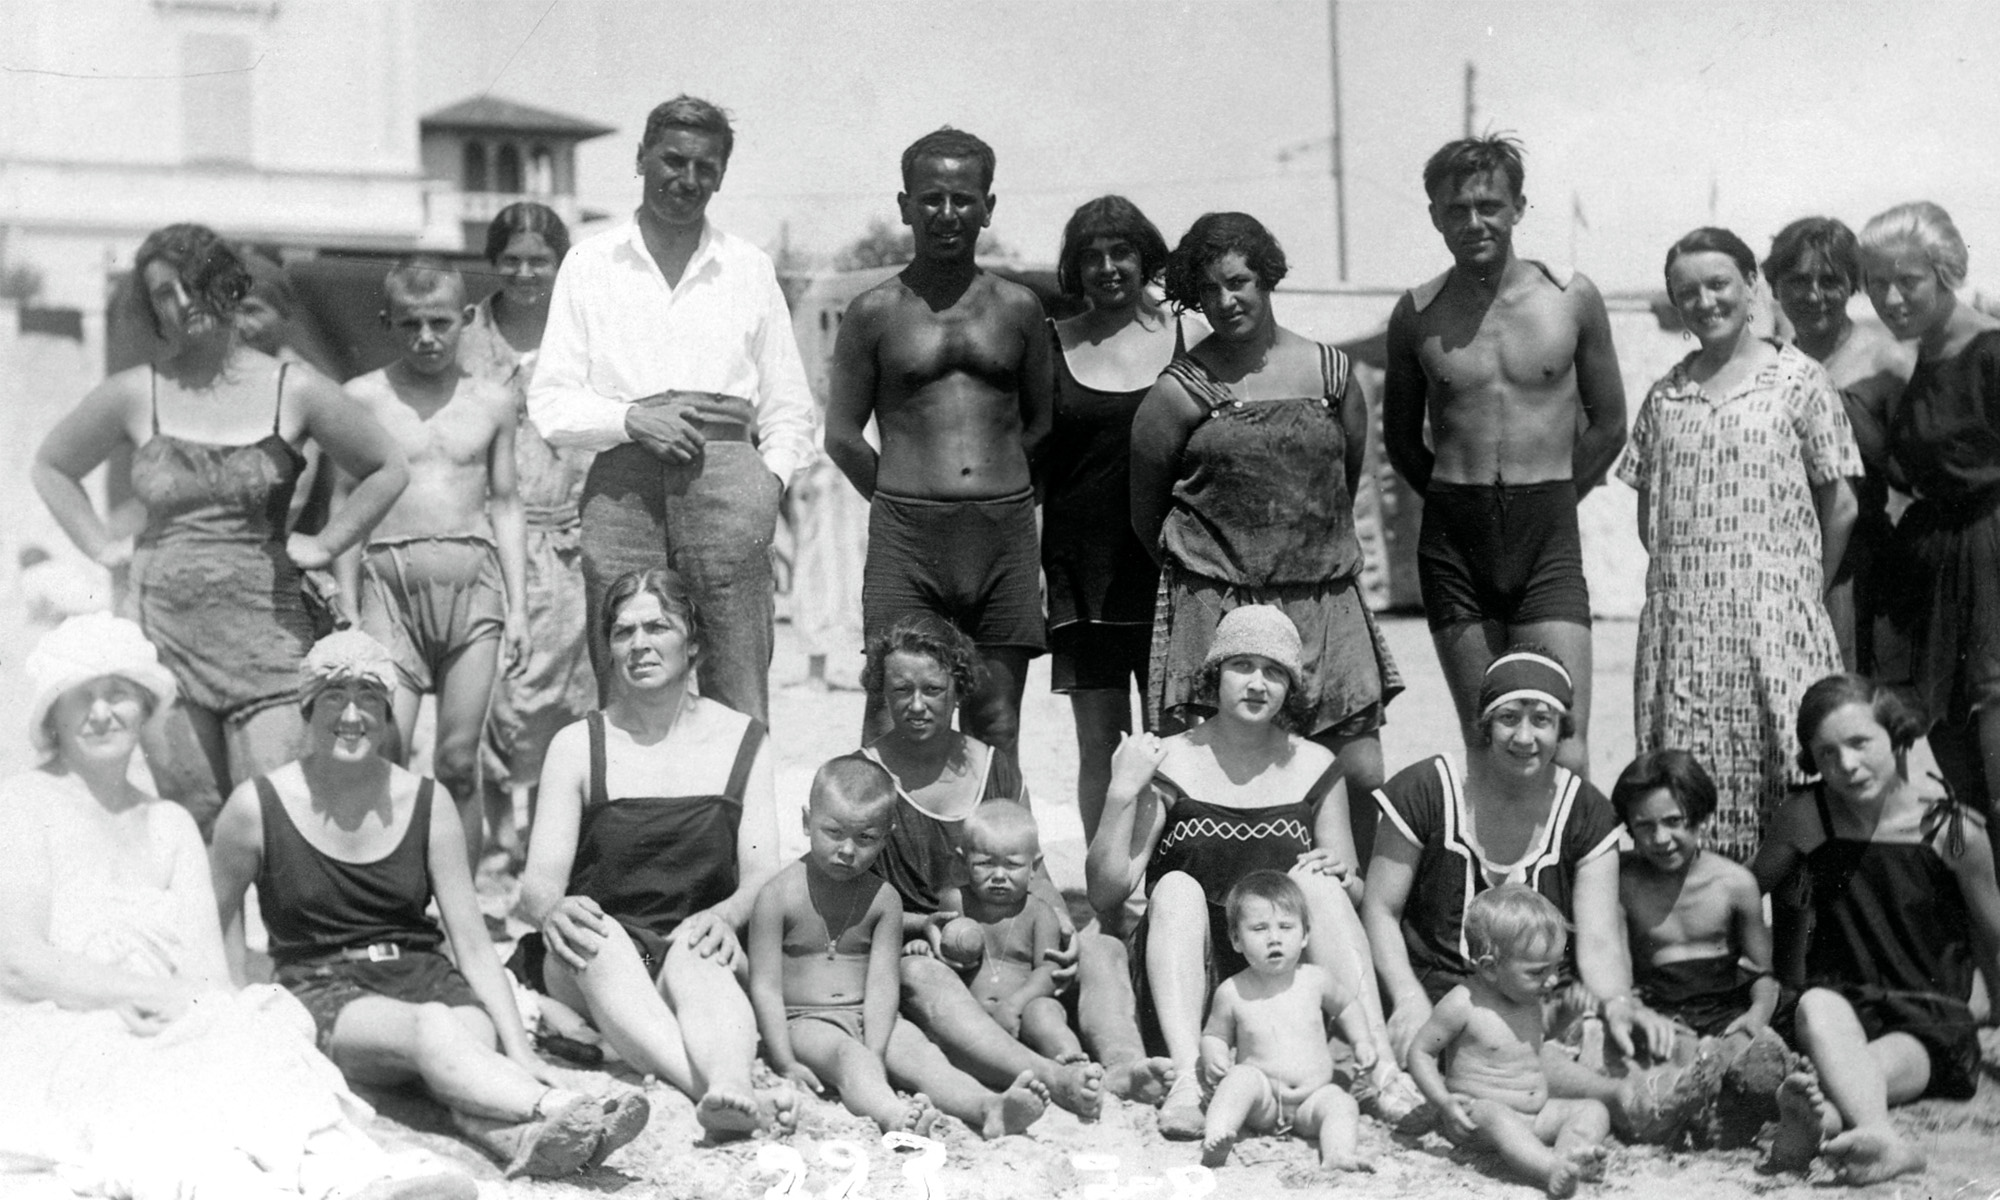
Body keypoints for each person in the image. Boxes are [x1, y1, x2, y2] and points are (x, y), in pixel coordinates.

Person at [0, 614, 475, 1200]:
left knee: (257, 1031)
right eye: (82, 698)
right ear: (52, 715)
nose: (103, 713)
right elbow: (18, 963)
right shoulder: (22, 806)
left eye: (119, 694)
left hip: (163, 1021)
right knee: (152, 1102)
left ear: (146, 708)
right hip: (54, 1028)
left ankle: (350, 1180)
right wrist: (151, 1001)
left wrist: (186, 1013)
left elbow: (205, 979)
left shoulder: (169, 826)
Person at [207, 631, 646, 1179]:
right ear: (306, 708)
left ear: (389, 713)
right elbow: (214, 915)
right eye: (334, 697)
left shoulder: (426, 801)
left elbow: (471, 942)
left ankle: (525, 1138)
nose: (351, 715)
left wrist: (519, 1047)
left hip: (425, 976)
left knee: (460, 1047)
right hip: (324, 988)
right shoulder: (256, 806)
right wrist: (235, 1009)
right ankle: (556, 1109)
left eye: (368, 698)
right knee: (435, 1034)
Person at [32, 223, 407, 835]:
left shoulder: (297, 388)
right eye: (161, 295)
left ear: (227, 284)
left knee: (277, 812)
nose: (181, 304)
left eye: (192, 285)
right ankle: (217, 936)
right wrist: (103, 546)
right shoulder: (138, 392)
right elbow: (52, 466)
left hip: (270, 639)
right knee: (195, 812)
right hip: (164, 638)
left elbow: (387, 467)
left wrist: (329, 542)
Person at [528, 95, 817, 726]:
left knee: (738, 677)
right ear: (640, 159)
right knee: (627, 666)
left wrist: (765, 484)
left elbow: (790, 404)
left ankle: (743, 824)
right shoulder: (589, 263)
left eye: (705, 167)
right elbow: (550, 401)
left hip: (729, 479)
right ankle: (634, 822)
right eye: (672, 160)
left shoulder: (747, 267)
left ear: (720, 175)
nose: (687, 180)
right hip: (623, 485)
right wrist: (630, 419)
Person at [1130, 211, 1401, 861]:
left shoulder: (1335, 375)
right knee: (1207, 783)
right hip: (1218, 608)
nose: (1226, 302)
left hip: (1324, 604)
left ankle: (1356, 922)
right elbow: (1148, 514)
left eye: (1239, 282)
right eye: (1208, 292)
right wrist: (1217, 579)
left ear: (1267, 276)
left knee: (1358, 774)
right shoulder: (1178, 392)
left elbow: (1344, 476)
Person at [1090, 605, 1410, 1140]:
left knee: (1316, 883)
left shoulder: (1315, 766)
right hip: (1189, 990)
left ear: (1291, 687)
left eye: (1275, 671)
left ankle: (1382, 1070)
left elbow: (1348, 896)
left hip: (1284, 996)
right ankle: (1188, 1081)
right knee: (1173, 886)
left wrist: (1342, 877)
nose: (1258, 683)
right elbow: (1107, 891)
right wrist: (1122, 792)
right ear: (1215, 675)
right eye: (1243, 665)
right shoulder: (1167, 760)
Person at [1363, 649, 1702, 1141]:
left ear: (1561, 727)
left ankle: (1671, 1093)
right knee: (1490, 1038)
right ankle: (1622, 1097)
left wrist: (1617, 1000)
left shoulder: (1585, 811)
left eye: (1541, 720)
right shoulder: (1427, 788)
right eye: (1508, 719)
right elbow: (1380, 907)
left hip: (1538, 996)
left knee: (1618, 1032)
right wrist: (1407, 997)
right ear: (1484, 723)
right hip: (1442, 995)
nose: (1525, 737)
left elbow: (1600, 938)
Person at [513, 568, 793, 1139]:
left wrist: (725, 915)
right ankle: (713, 1086)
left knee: (699, 954)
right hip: (599, 954)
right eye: (623, 632)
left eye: (657, 627)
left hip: (694, 938)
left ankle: (731, 1084)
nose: (639, 645)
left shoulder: (745, 739)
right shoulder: (576, 745)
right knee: (598, 935)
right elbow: (539, 884)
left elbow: (763, 871)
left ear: (692, 642)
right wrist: (553, 911)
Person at [1383, 135, 1626, 777]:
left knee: (1563, 740)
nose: (1473, 222)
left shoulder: (1571, 298)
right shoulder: (1415, 314)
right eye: (1455, 209)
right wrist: (1449, 499)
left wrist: (1551, 498)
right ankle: (1495, 881)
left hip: (1545, 530)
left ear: (1519, 207)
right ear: (1435, 214)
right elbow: (1402, 439)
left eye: (1489, 205)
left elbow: (1610, 425)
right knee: (1486, 734)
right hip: (1454, 539)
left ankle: (1568, 879)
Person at [1617, 227, 1861, 863]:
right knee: (1689, 790)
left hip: (1775, 623)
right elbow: (1652, 519)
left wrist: (1795, 590)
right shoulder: (1665, 396)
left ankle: (1794, 960)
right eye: (1687, 292)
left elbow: (1840, 507)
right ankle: (1705, 955)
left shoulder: (1800, 380)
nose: (1705, 302)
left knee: (1791, 787)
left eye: (1718, 284)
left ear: (1752, 284)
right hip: (1685, 632)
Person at [825, 127, 1053, 761]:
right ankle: (884, 862)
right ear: (905, 207)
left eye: (962, 198)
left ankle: (995, 860)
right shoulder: (872, 311)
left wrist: (996, 492)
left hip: (1000, 534)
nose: (946, 214)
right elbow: (841, 436)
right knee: (892, 715)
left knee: (997, 722)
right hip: (908, 540)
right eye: (930, 199)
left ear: (987, 207)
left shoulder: (1019, 308)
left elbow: (1042, 422)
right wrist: (905, 496)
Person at [1750, 674, 2000, 1184]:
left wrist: (1993, 1012)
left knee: (1861, 1067)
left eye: (1860, 743)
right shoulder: (1806, 817)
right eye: (1826, 754)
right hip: (1841, 1005)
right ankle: (1869, 1135)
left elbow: (1994, 934)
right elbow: (1743, 888)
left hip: (1927, 1018)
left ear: (1899, 737)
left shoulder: (1950, 829)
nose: (1846, 766)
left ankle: (1837, 1122)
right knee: (1817, 1009)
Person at [859, 613, 1108, 1122]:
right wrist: (916, 926)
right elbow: (849, 893)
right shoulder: (864, 774)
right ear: (881, 691)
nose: (916, 704)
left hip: (1011, 948)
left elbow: (1033, 867)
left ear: (958, 690)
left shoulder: (997, 767)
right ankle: (1049, 1075)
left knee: (1101, 948)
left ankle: (1127, 1067)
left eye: (933, 689)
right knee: (918, 974)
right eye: (900, 689)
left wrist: (1062, 923)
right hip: (924, 956)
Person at [749, 754, 1050, 1139]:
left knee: (924, 1056)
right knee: (850, 1058)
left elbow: (881, 985)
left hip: (873, 1016)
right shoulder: (777, 895)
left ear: (886, 836)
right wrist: (784, 1059)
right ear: (807, 822)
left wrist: (878, 1047)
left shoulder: (883, 900)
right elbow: (765, 986)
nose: (847, 850)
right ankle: (893, 1115)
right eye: (833, 832)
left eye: (865, 839)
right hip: (806, 1021)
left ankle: (988, 1107)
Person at [339, 256, 526, 867]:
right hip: (387, 593)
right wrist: (346, 607)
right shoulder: (362, 398)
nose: (426, 338)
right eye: (410, 324)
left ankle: (460, 909)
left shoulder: (494, 402)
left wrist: (520, 608)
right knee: (382, 749)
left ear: (466, 319)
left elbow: (505, 502)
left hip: (474, 590)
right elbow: (347, 505)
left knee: (456, 761)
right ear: (388, 321)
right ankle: (386, 898)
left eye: (441, 323)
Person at [1857, 201, 2000, 832]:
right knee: (1954, 757)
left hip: (1992, 558)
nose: (1889, 297)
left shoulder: (1991, 351)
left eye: (1907, 281)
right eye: (1876, 282)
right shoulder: (1917, 358)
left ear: (1946, 272)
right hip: (1937, 566)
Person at [1046, 196, 1184, 841]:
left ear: (1144, 257)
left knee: (1177, 738)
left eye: (1121, 252)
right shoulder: (1053, 343)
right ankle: (1109, 902)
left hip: (1172, 569)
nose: (1107, 267)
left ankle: (1172, 887)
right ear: (1074, 267)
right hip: (1084, 569)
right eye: (1091, 256)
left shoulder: (1191, 336)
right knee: (1100, 742)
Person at [465, 202, 597, 862]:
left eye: (538, 260)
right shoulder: (463, 340)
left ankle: (549, 835)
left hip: (576, 542)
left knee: (571, 698)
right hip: (492, 539)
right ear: (492, 263)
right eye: (511, 259)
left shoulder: (588, 338)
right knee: (498, 690)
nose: (524, 272)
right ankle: (497, 836)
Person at [1764, 218, 1916, 676]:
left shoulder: (1888, 361)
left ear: (1854, 286)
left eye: (1830, 280)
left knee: (1861, 707)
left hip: (1862, 566)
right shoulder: (1766, 364)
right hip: (1780, 560)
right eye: (1797, 280)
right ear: (1774, 285)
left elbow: (1925, 472)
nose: (1814, 295)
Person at [1405, 886, 1610, 1198]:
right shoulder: (1463, 1004)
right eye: (1539, 971)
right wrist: (1443, 1102)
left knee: (1593, 1110)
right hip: (1478, 1121)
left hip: (1534, 1116)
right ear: (1489, 968)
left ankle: (1570, 1156)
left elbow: (1541, 1034)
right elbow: (1420, 1051)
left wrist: (1567, 1013)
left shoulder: (1528, 997)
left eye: (1556, 968)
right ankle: (1547, 1168)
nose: (1553, 980)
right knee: (1496, 1115)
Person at [1197, 871, 1374, 1173]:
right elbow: (1214, 1035)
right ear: (1236, 940)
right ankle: (1217, 1135)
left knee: (1342, 1103)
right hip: (1263, 1100)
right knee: (1239, 1079)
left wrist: (1362, 1042)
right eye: (1259, 928)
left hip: (1312, 1100)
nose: (1274, 938)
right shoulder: (1233, 991)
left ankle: (1337, 1153)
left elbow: (1346, 1006)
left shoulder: (1315, 980)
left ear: (1305, 935)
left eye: (1286, 927)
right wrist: (1213, 1054)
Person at [936, 800, 1083, 1064]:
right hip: (971, 1014)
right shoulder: (955, 902)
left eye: (1013, 865)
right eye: (985, 863)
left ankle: (1070, 1060)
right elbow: (942, 950)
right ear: (962, 861)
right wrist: (927, 948)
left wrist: (1014, 1006)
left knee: (1045, 1011)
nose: (999, 875)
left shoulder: (1039, 912)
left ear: (1034, 867)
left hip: (1023, 1012)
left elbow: (1049, 970)